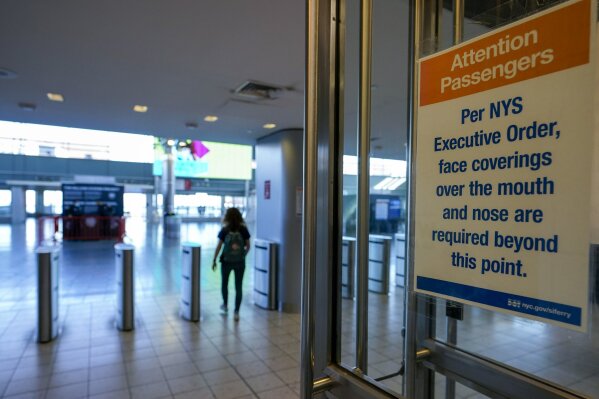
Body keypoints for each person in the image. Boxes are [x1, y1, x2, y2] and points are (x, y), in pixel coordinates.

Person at [212, 207, 251, 321]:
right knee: (238, 286)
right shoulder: (243, 229)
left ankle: (225, 305)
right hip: (240, 262)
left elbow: (219, 246)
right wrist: (242, 255)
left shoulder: (225, 229)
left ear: (227, 217)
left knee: (225, 284)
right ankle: (236, 312)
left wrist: (214, 259)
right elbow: (248, 246)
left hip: (226, 262)